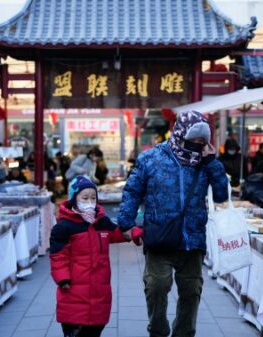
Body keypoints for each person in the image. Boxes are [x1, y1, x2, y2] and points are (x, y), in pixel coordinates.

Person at [118, 110, 229, 337]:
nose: (198, 146)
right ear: (180, 134)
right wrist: (126, 223)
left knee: (191, 291)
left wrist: (212, 164)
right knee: (156, 286)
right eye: (194, 141)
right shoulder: (151, 158)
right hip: (160, 235)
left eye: (202, 141)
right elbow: (132, 191)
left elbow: (221, 196)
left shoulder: (204, 162)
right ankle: (158, 330)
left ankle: (184, 333)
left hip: (192, 238)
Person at [50, 176, 143, 337]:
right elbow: (58, 256)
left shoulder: (101, 222)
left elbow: (117, 233)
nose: (90, 201)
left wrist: (134, 232)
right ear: (74, 199)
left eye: (93, 198)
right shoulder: (64, 227)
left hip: (100, 287)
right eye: (84, 198)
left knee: (96, 326)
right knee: (75, 328)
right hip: (74, 289)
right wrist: (63, 278)